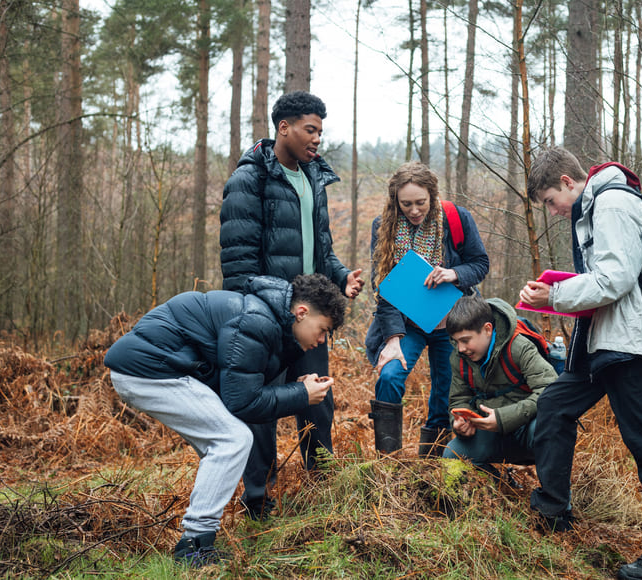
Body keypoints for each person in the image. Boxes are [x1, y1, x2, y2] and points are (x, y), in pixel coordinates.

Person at [519, 147, 642, 580]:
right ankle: (552, 513)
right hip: (599, 342)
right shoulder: (593, 208)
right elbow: (604, 279)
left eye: (551, 201)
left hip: (630, 343)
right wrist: (560, 288)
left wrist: (554, 295)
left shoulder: (613, 202)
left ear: (567, 183)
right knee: (555, 405)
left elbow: (615, 278)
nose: (554, 212)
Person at [104, 274, 348, 567]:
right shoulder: (257, 321)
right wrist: (300, 394)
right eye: (323, 330)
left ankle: (197, 541)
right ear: (301, 313)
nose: (322, 341)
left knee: (224, 442)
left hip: (153, 368)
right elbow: (242, 403)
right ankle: (194, 546)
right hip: (146, 370)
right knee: (233, 439)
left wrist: (297, 386)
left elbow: (242, 387)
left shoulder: (268, 320)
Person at [219, 91, 364, 520]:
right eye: (310, 129)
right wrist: (280, 304)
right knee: (261, 407)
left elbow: (322, 248)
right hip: (264, 319)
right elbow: (238, 268)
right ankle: (258, 500)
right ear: (284, 128)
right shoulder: (250, 179)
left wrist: (340, 277)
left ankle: (322, 489)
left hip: (309, 317)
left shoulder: (313, 177)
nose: (317, 139)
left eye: (320, 130)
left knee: (317, 401)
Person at [365, 161, 489, 457]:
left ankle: (433, 464)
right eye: (406, 204)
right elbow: (385, 287)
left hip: (452, 325)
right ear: (395, 201)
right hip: (407, 325)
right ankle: (388, 463)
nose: (414, 210)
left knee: (445, 392)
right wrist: (392, 339)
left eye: (421, 202)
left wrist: (453, 274)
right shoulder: (384, 227)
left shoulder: (456, 219)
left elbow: (480, 263)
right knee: (390, 374)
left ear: (432, 196)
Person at [442, 295, 558, 481]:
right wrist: (460, 423)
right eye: (456, 342)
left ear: (488, 329)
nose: (461, 348)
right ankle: (498, 490)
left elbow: (550, 390)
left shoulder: (519, 347)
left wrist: (504, 418)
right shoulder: (459, 358)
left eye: (465, 340)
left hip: (528, 430)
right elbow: (458, 399)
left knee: (554, 428)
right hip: (488, 433)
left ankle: (553, 502)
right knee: (452, 455)